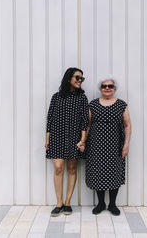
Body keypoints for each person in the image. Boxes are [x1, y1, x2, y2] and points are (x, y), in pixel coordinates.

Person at [85, 75, 131, 216]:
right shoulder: (92, 104)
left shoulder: (121, 105)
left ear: (114, 88)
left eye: (110, 86)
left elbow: (127, 125)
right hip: (95, 146)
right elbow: (87, 125)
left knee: (114, 174)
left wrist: (126, 145)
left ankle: (112, 204)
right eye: (104, 86)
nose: (107, 88)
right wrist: (83, 141)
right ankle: (100, 204)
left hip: (115, 146)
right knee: (98, 174)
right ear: (100, 88)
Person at [45, 67, 89, 216]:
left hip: (74, 138)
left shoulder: (82, 98)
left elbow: (84, 121)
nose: (80, 81)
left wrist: (82, 140)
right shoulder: (56, 97)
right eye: (77, 77)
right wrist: (47, 140)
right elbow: (49, 119)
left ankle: (68, 202)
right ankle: (59, 203)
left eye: (82, 79)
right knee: (58, 168)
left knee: (71, 169)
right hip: (56, 137)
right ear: (68, 78)